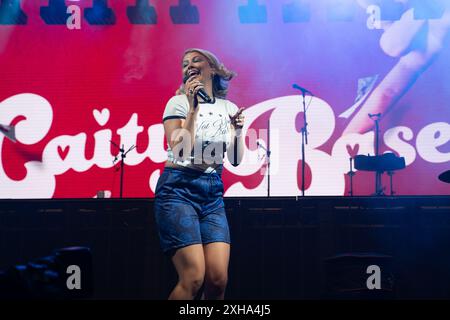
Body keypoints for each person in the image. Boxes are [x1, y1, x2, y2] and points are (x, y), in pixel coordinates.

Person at [154, 48, 245, 300]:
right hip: (178, 189)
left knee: (218, 280)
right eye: (184, 63)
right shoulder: (178, 103)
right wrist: (193, 108)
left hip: (212, 192)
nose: (189, 65)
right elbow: (180, 151)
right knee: (193, 277)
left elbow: (236, 161)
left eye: (196, 60)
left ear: (213, 69)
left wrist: (237, 131)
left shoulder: (229, 107)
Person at [344, 0, 450, 134]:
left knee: (391, 44)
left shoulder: (435, 31)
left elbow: (389, 89)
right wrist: (348, 138)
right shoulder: (426, 36)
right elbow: (388, 91)